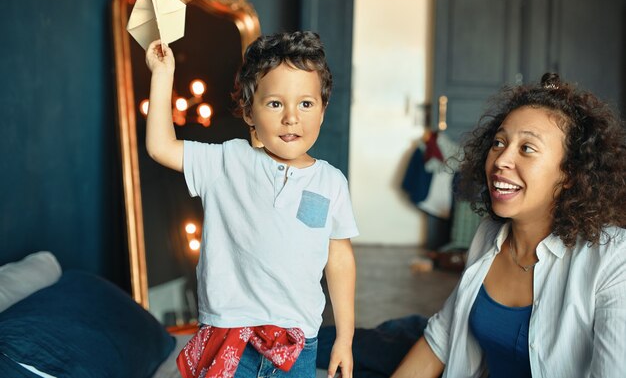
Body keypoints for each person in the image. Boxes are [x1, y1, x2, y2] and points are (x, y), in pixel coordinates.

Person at [144, 31, 358, 378]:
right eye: (275, 103)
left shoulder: (331, 182)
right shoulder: (227, 161)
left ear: (322, 110)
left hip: (298, 344)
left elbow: (340, 260)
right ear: (248, 111)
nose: (292, 117)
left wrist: (345, 337)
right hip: (229, 337)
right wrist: (162, 73)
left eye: (306, 103)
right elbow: (160, 147)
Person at [388, 72, 626, 378]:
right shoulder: (489, 234)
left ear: (570, 173)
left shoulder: (613, 258)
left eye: (527, 148)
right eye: (499, 143)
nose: (501, 160)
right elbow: (442, 339)